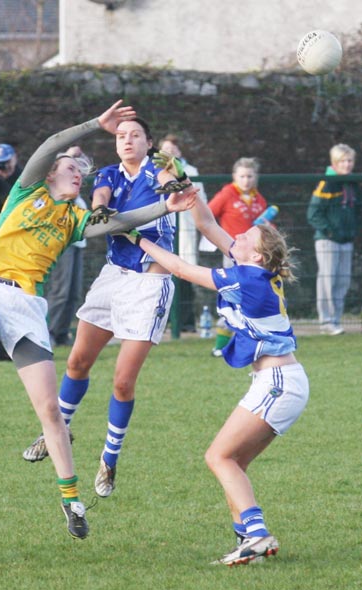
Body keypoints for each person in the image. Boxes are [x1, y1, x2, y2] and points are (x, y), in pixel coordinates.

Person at [0, 100, 197, 541]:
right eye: (72, 167)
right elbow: (54, 143)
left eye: (81, 170)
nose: (79, 173)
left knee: (51, 412)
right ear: (51, 173)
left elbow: (120, 222)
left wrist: (167, 208)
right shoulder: (27, 191)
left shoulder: (75, 219)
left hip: (28, 311)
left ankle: (71, 500)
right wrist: (95, 125)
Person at [22, 122, 231, 504]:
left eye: (135, 135)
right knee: (77, 362)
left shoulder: (161, 169)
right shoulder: (107, 174)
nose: (127, 140)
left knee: (122, 382)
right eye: (121, 136)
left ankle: (109, 459)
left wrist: (231, 250)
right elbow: (100, 196)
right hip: (112, 277)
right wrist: (100, 209)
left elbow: (183, 194)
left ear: (149, 143)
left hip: (149, 285)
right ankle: (56, 430)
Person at [119, 199, 309, 566]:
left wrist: (135, 238)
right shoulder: (252, 268)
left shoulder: (248, 276)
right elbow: (207, 223)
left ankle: (257, 535)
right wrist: (190, 193)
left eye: (244, 237)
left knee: (218, 456)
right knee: (233, 461)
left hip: (278, 382)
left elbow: (178, 268)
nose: (235, 237)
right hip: (282, 380)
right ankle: (247, 543)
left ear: (255, 256)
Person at [201, 157, 268, 356]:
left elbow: (264, 227)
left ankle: (249, 341)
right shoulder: (227, 194)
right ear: (234, 177)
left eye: (250, 176)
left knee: (250, 299)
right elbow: (207, 215)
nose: (246, 180)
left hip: (256, 256)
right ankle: (220, 346)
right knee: (233, 296)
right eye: (242, 176)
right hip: (233, 254)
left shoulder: (259, 199)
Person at [307, 143, 361, 335]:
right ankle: (326, 321)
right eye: (342, 161)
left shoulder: (352, 183)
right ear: (334, 163)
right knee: (327, 279)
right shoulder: (326, 183)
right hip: (327, 240)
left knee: (343, 280)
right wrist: (330, 231)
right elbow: (313, 214)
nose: (347, 165)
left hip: (346, 240)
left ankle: (337, 319)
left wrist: (353, 230)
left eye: (350, 161)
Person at [158, 134, 208, 332]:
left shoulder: (191, 171)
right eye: (166, 149)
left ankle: (186, 322)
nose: (170, 153)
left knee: (186, 275)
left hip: (185, 226)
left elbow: (200, 197)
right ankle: (167, 321)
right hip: (164, 226)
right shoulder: (156, 171)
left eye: (173, 149)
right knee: (164, 275)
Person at [45, 146, 89, 347]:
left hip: (78, 243)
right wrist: (68, 154)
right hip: (63, 242)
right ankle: (49, 332)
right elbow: (53, 163)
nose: (76, 173)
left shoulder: (75, 189)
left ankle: (62, 332)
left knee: (74, 292)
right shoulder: (54, 188)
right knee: (60, 291)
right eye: (71, 167)